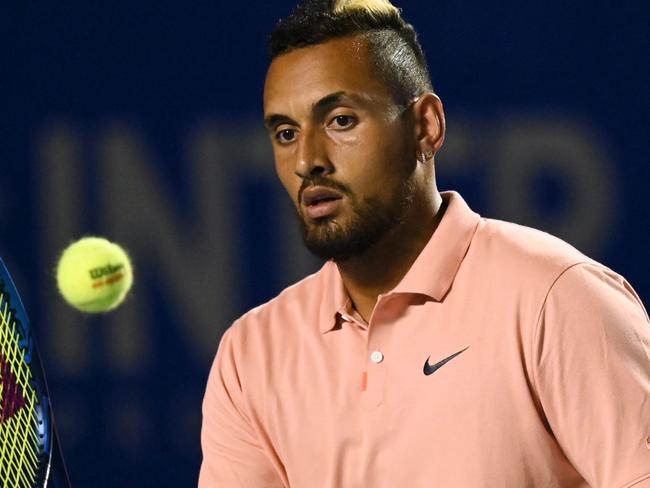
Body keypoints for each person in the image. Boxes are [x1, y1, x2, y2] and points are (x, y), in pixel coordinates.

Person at [199, 0, 650, 486]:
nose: (308, 160)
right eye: (286, 133)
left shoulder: (556, 298)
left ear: (425, 127)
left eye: (341, 121)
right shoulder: (250, 356)